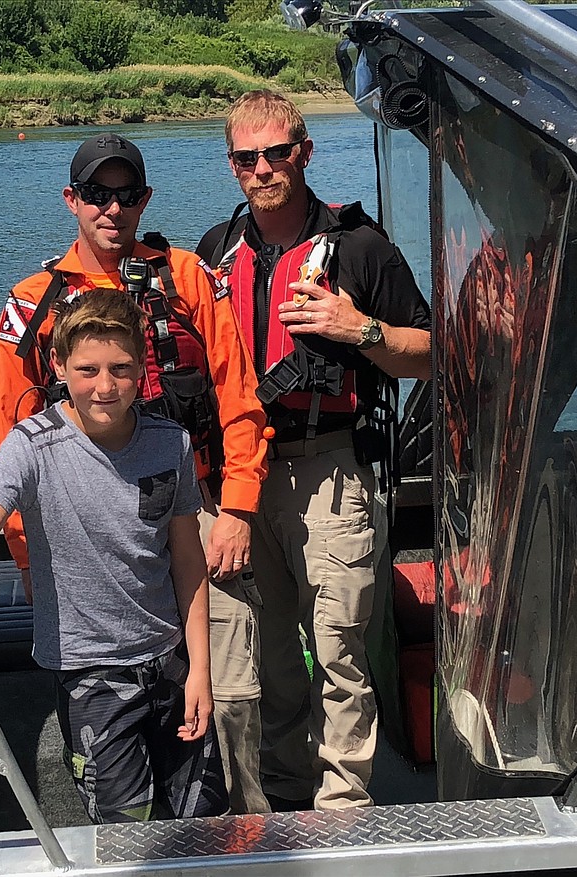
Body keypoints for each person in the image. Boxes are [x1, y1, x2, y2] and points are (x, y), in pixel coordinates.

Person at [0, 133, 270, 814]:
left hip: (193, 513)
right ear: (72, 200)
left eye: (125, 194)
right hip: (83, 530)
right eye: (95, 193)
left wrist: (236, 507)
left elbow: (238, 395)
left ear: (144, 200)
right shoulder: (31, 302)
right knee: (104, 707)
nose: (111, 208)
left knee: (228, 696)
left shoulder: (186, 277)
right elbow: (10, 436)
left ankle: (242, 847)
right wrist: (29, 556)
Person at [0, 290, 228, 822]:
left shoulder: (172, 443)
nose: (105, 386)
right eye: (89, 369)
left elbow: (189, 563)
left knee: (204, 821)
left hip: (172, 662)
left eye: (121, 369)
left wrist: (201, 674)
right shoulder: (33, 445)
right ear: (58, 365)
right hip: (90, 674)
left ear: (143, 368)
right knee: (125, 832)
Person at [197, 89, 432, 810]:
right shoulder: (214, 250)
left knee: (340, 650)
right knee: (266, 658)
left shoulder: (361, 248)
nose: (263, 168)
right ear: (233, 164)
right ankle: (284, 805)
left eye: (277, 152)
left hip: (329, 468)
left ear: (304, 151)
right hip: (240, 479)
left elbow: (432, 352)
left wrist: (359, 328)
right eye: (247, 157)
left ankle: (343, 813)